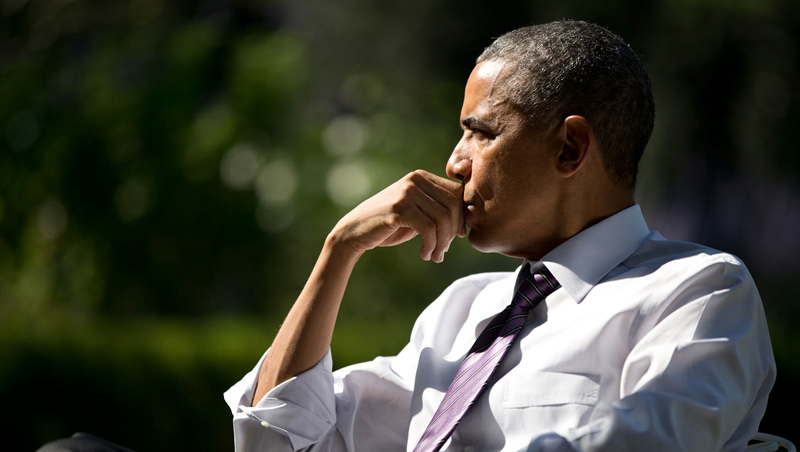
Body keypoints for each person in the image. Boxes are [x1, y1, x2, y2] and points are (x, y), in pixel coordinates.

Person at [224, 20, 776, 452]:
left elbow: (646, 443)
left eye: (480, 133)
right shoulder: (462, 310)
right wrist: (339, 248)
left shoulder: (698, 292)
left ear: (570, 149)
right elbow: (277, 442)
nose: (453, 162)